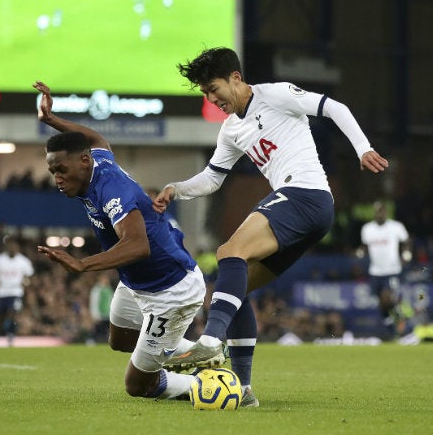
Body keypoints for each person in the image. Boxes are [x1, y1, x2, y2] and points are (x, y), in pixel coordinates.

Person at [153, 47, 389, 406]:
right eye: (204, 93)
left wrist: (362, 148)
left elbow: (334, 108)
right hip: (303, 210)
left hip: (306, 194)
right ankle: (243, 389)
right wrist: (176, 189)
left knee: (228, 252)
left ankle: (210, 341)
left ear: (235, 77)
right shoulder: (231, 130)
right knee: (236, 286)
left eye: (213, 88)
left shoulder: (275, 94)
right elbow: (213, 179)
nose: (211, 98)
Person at [33, 80, 207, 402]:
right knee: (121, 339)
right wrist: (51, 121)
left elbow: (137, 245)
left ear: (84, 162)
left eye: (61, 169)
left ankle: (211, 386)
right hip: (136, 281)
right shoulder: (95, 160)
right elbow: (97, 137)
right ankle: (198, 353)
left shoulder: (112, 190)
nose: (57, 177)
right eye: (52, 171)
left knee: (138, 386)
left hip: (170, 287)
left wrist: (83, 264)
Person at [360, 200, 411, 336]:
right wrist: (360, 252)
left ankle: (400, 323)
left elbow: (406, 241)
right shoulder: (367, 229)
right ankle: (390, 324)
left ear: (386, 212)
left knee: (386, 297)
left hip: (392, 270)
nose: (380, 213)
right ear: (375, 213)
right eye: (378, 211)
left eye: (382, 211)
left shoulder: (396, 227)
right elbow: (365, 246)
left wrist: (406, 254)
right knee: (382, 303)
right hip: (375, 271)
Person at [0, 236, 34, 345]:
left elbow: (29, 277)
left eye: (14, 245)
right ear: (7, 246)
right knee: (0, 315)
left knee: (13, 312)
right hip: (2, 292)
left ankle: (11, 334)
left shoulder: (24, 261)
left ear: (18, 247)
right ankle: (0, 332)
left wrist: (26, 284)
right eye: (10, 245)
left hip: (16, 292)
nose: (12, 247)